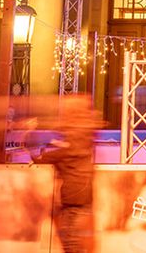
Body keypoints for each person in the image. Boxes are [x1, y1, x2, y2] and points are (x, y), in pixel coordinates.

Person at [34, 97, 101, 253]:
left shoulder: (75, 136)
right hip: (80, 194)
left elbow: (56, 155)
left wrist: (30, 138)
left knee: (71, 242)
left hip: (74, 196)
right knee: (74, 241)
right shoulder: (84, 133)